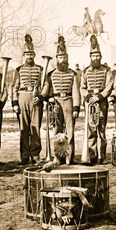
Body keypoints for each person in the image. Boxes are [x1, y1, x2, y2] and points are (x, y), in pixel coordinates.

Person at [39, 35, 80, 164]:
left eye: (65, 57)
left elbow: (76, 91)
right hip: (55, 103)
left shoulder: (73, 73)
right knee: (56, 130)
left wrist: (76, 107)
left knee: (70, 130)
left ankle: (69, 157)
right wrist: (44, 97)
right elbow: (46, 89)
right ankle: (57, 156)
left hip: (68, 101)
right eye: (60, 57)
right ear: (57, 58)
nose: (63, 60)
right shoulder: (50, 74)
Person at [80, 35, 113, 164]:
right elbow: (82, 87)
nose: (96, 58)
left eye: (98, 56)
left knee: (101, 129)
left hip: (101, 101)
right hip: (89, 103)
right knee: (91, 129)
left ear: (101, 57)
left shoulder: (106, 70)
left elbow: (109, 85)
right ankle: (92, 155)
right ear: (90, 57)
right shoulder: (85, 71)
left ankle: (102, 156)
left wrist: (99, 97)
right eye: (93, 56)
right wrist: (88, 97)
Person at [11, 34, 44, 165]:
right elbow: (14, 86)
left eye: (31, 54)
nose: (29, 56)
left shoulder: (40, 69)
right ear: (24, 55)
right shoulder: (18, 69)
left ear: (34, 55)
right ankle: (24, 155)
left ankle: (35, 154)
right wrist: (14, 103)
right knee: (24, 128)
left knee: (35, 128)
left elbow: (44, 85)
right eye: (27, 54)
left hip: (35, 99)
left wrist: (40, 96)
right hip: (22, 98)